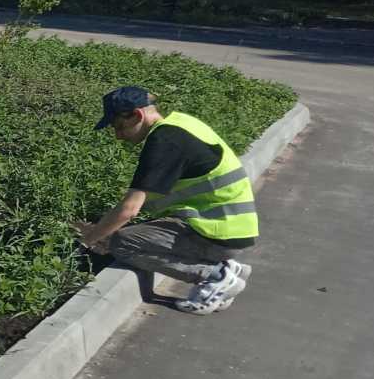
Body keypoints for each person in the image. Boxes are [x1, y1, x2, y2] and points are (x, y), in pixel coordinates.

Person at [77, 86, 258, 315]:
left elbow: (129, 210)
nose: (118, 136)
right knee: (121, 232)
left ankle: (214, 276)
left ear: (138, 115)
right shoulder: (180, 124)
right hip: (231, 229)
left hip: (218, 235)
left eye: (119, 126)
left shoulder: (164, 142)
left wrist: (89, 240)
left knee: (123, 242)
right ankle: (225, 268)